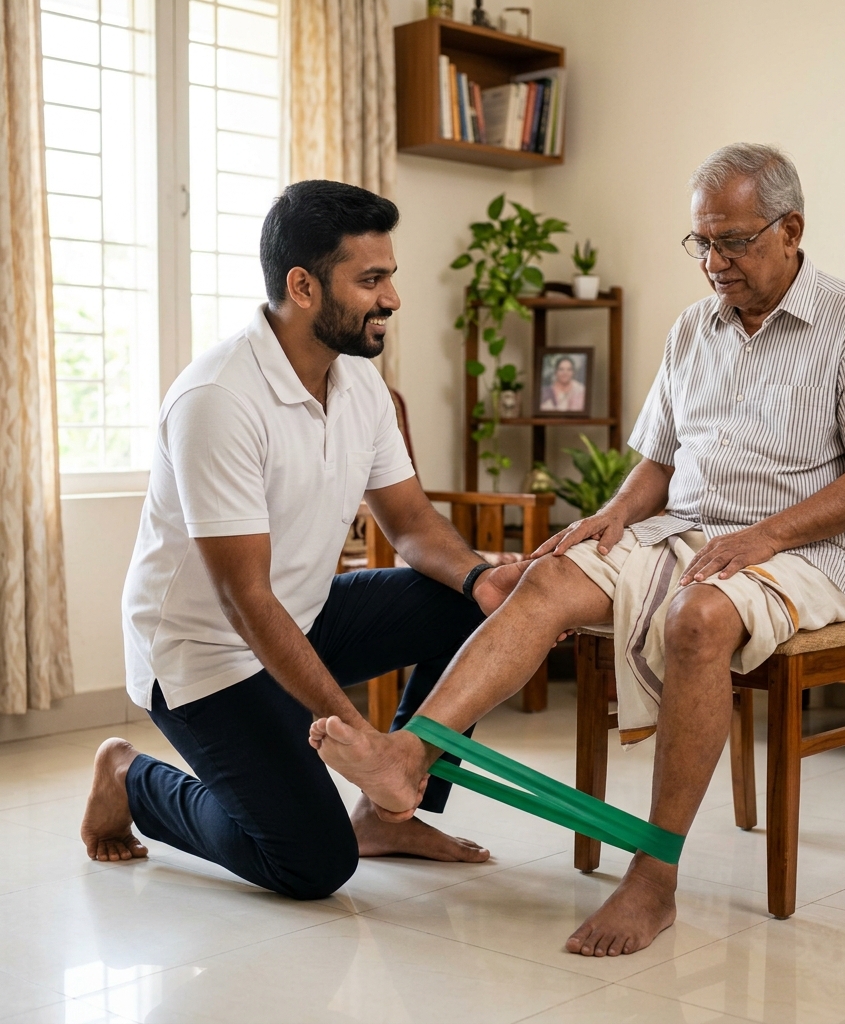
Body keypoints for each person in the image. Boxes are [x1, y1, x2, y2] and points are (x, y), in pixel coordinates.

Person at [309, 144, 845, 954]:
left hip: (806, 551)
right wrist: (611, 516)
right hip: (686, 532)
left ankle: (653, 877)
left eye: (733, 242)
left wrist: (764, 536)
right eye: (701, 242)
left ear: (791, 229)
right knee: (542, 577)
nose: (714, 262)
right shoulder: (693, 328)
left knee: (699, 618)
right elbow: (658, 463)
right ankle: (403, 769)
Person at [80, 180, 521, 899]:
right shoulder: (218, 399)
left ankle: (390, 816)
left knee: (471, 608)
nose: (392, 299)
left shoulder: (359, 384)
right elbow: (246, 601)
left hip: (303, 616)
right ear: (303, 286)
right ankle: (132, 779)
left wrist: (481, 578)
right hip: (204, 654)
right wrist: (363, 742)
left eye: (389, 277)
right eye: (370, 280)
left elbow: (411, 521)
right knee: (312, 864)